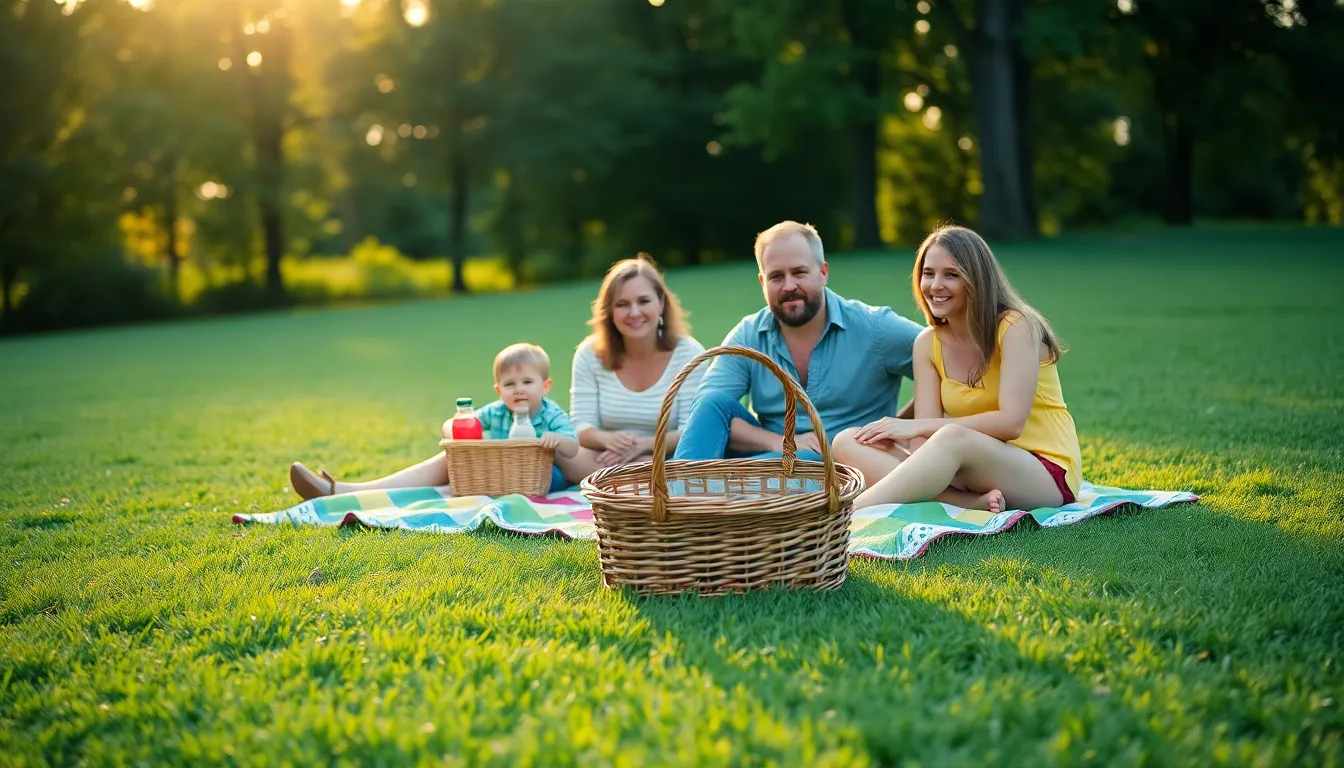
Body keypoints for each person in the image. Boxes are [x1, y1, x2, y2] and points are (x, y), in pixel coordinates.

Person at [833, 225, 1083, 513]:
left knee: (951, 438)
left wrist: (918, 426)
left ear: (977, 280)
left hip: (1044, 472)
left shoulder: (1016, 326)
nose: (935, 285)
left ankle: (846, 513)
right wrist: (925, 453)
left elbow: (1010, 423)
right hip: (969, 468)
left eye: (951, 274)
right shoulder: (927, 343)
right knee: (847, 441)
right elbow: (922, 446)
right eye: (928, 273)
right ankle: (965, 502)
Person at [673, 221, 923, 462]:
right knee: (713, 402)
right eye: (776, 277)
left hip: (841, 468)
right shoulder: (747, 335)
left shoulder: (876, 328)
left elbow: (946, 366)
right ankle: (681, 495)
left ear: (823, 272)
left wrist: (901, 426)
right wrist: (781, 442)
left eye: (799, 272)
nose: (789, 286)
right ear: (762, 282)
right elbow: (705, 417)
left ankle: (715, 486)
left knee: (800, 461)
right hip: (773, 456)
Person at [288, 343, 580, 499]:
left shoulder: (549, 413)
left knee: (543, 477)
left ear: (546, 385)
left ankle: (341, 492)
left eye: (527, 381)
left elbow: (572, 449)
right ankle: (345, 492)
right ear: (498, 390)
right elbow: (454, 424)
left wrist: (558, 440)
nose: (518, 389)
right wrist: (455, 430)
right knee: (460, 467)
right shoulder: (496, 411)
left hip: (539, 477)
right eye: (509, 384)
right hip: (496, 474)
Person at [562, 255, 706, 482]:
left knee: (651, 467)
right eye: (622, 304)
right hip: (603, 458)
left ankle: (626, 482)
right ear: (609, 311)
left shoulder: (689, 353)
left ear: (661, 303)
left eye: (643, 301)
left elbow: (692, 431)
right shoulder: (589, 354)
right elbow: (580, 426)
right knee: (560, 451)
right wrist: (607, 440)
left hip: (664, 460)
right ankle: (622, 481)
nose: (634, 313)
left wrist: (643, 445)